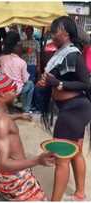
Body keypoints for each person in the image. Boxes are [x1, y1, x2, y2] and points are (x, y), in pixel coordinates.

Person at [38, 16, 91, 201]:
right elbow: (56, 80)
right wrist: (47, 82)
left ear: (66, 33)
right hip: (74, 109)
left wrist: (58, 83)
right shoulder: (61, 53)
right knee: (75, 153)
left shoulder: (73, 54)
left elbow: (85, 84)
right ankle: (79, 194)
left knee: (61, 159)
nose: (53, 33)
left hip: (74, 110)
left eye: (56, 30)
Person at [0, 72, 55, 201]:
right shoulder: (2, 123)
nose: (16, 93)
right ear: (2, 94)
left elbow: (1, 121)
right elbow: (4, 163)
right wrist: (37, 160)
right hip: (16, 178)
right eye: (13, 90)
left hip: (4, 176)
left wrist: (19, 116)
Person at [0, 31, 35, 113]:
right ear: (16, 47)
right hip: (15, 90)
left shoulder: (1, 58)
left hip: (2, 89)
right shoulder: (22, 62)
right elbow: (25, 80)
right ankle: (26, 108)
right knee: (30, 84)